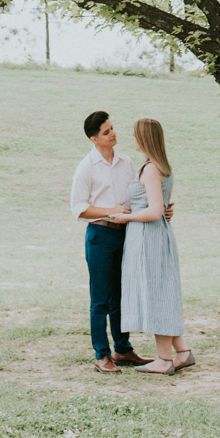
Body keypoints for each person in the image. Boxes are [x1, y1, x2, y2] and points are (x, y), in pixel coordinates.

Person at [108, 117, 194, 375]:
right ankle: (183, 352)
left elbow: (155, 211)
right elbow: (158, 205)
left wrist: (126, 217)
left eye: (135, 135)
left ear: (144, 139)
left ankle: (164, 360)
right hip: (153, 236)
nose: (131, 139)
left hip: (149, 238)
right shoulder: (155, 166)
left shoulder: (151, 169)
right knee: (162, 292)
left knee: (157, 294)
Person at [70, 111, 153, 373]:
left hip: (126, 235)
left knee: (122, 295)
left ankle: (123, 349)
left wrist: (160, 208)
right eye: (106, 132)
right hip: (101, 237)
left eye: (112, 128)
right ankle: (102, 355)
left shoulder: (126, 162)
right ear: (94, 139)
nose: (113, 134)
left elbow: (137, 195)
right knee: (101, 299)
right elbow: (79, 208)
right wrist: (110, 211)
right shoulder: (87, 167)